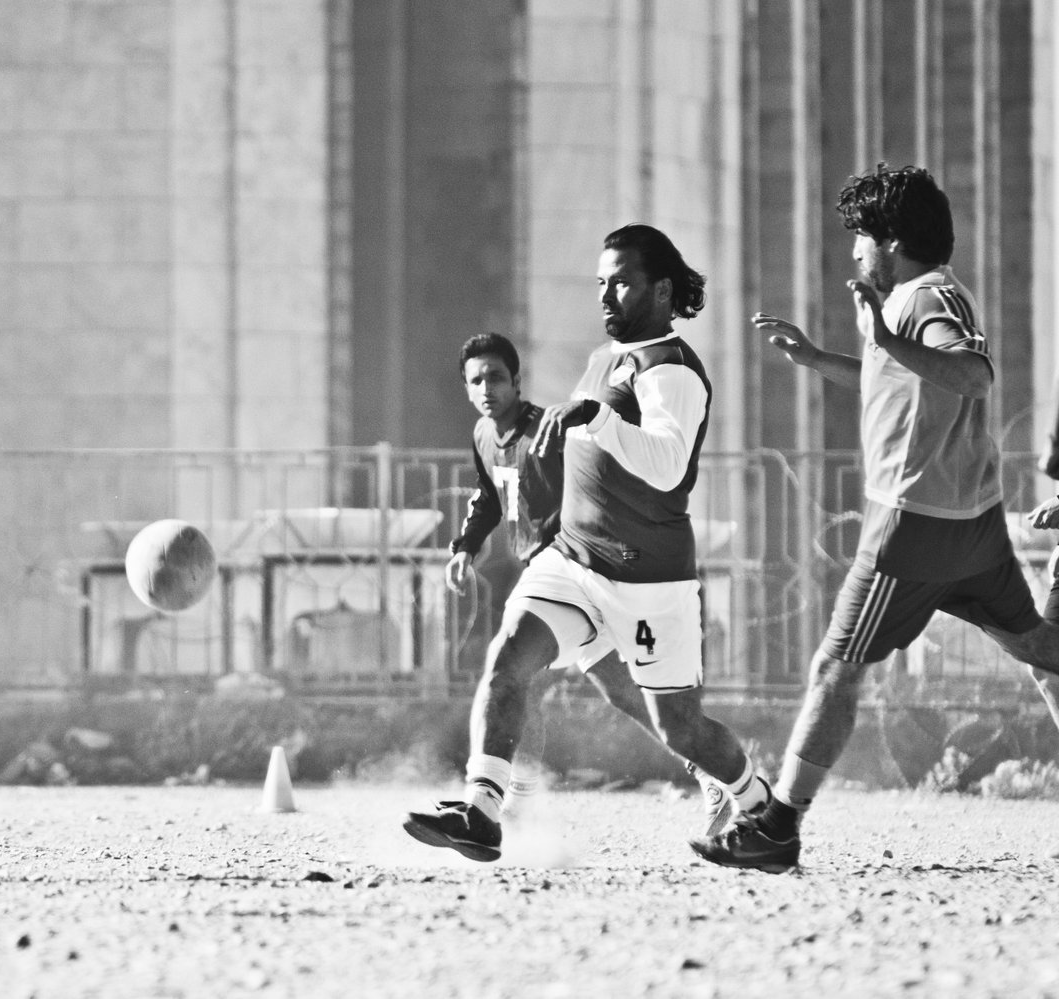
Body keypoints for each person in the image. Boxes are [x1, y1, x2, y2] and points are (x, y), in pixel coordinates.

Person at [692, 163, 1059, 874]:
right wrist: (821, 357)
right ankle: (778, 823)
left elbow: (971, 373)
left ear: (889, 240)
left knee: (837, 664)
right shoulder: (924, 296)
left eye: (859, 237)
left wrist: (884, 339)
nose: (853, 253)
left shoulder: (928, 295)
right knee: (1036, 644)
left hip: (915, 526)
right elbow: (910, 376)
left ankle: (779, 824)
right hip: (967, 520)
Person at [403, 225, 768, 863]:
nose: (607, 295)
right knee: (506, 659)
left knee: (675, 725)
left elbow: (668, 468)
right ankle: (482, 808)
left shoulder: (671, 371)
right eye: (602, 282)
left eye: (622, 282)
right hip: (570, 561)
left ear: (660, 289)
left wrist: (595, 417)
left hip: (648, 580)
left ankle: (756, 803)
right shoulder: (606, 359)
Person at [443, 331, 725, 829]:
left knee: (548, 680)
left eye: (496, 377)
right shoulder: (484, 436)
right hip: (552, 580)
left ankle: (716, 776)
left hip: (582, 572)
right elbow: (489, 495)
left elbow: (600, 479)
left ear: (517, 382)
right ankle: (516, 796)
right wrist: (466, 546)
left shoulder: (550, 430)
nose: (487, 388)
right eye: (476, 380)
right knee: (557, 684)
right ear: (465, 389)